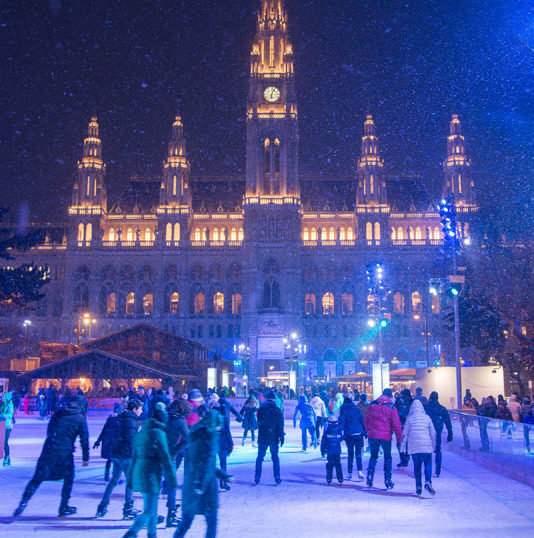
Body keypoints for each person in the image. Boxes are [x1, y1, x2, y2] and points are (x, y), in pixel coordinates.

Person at [13, 395, 89, 517]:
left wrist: (54, 440)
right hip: (64, 453)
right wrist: (85, 458)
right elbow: (84, 440)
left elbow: (50, 430)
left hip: (49, 450)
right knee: (69, 478)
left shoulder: (59, 413)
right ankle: (63, 506)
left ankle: (23, 502)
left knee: (37, 478)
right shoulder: (80, 418)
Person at [173, 406, 230, 538]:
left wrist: (223, 475)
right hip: (206, 488)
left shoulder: (195, 433)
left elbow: (201, 462)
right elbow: (207, 463)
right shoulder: (210, 437)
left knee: (186, 522)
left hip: (190, 484)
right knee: (211, 523)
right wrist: (201, 485)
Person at [122, 403, 176, 538]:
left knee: (152, 508)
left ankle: (152, 535)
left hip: (139, 473)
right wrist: (172, 479)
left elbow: (134, 456)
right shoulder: (158, 433)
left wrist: (130, 478)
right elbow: (165, 456)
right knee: (149, 511)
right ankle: (130, 534)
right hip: (150, 475)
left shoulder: (141, 433)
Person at [96, 399, 143, 519]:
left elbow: (110, 431)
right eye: (140, 409)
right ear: (134, 409)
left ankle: (102, 506)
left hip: (115, 453)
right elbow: (131, 441)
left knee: (114, 480)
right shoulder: (133, 422)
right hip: (126, 455)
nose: (141, 411)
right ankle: (128, 508)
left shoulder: (119, 417)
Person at [364, 388, 403, 489]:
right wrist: (399, 438)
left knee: (373, 456)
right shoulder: (391, 407)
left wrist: (369, 431)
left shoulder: (371, 405)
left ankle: (370, 476)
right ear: (390, 396)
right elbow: (396, 424)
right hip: (386, 437)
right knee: (387, 457)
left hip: (373, 435)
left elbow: (366, 420)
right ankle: (387, 479)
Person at [399, 399, 437, 495]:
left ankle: (418, 486)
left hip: (414, 447)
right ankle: (428, 481)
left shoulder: (409, 419)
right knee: (428, 465)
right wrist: (434, 446)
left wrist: (402, 449)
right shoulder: (427, 418)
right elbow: (433, 433)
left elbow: (405, 434)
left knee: (417, 467)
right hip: (427, 447)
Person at [165, 398, 191, 527]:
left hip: (157, 453)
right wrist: (177, 449)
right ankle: (171, 515)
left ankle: (151, 513)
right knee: (172, 485)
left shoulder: (165, 416)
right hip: (170, 455)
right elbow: (188, 439)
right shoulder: (180, 421)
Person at [255, 390, 284, 485]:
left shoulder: (261, 410)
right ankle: (277, 477)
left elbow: (258, 422)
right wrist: (281, 436)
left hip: (263, 436)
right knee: (275, 457)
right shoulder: (277, 410)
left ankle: (257, 477)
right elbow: (280, 425)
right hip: (274, 437)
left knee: (260, 457)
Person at [425, 391, 453, 477]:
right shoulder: (442, 409)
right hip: (437, 432)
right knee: (437, 450)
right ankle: (438, 469)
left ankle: (427, 468)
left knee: (427, 451)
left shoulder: (425, 408)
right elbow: (447, 421)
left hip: (427, 432)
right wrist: (450, 432)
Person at [338, 394, 366, 480]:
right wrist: (365, 432)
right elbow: (362, 420)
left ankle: (349, 473)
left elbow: (341, 422)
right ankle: (360, 471)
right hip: (358, 433)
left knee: (350, 453)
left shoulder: (343, 410)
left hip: (349, 434)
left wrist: (339, 433)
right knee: (358, 454)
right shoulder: (357, 409)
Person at [93, 402, 122, 481]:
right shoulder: (119, 419)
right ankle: (115, 477)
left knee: (111, 459)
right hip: (113, 442)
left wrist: (98, 441)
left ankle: (107, 475)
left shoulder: (111, 418)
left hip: (109, 441)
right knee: (116, 460)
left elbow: (104, 430)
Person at [321, 415, 344, 484]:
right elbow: (341, 438)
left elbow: (323, 442)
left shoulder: (326, 431)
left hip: (329, 451)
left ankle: (329, 478)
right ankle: (340, 478)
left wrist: (322, 451)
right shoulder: (339, 430)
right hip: (337, 450)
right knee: (338, 464)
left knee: (330, 465)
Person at [395, 389, 413, 468]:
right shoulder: (412, 401)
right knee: (408, 442)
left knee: (400, 442)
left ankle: (402, 458)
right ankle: (407, 456)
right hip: (409, 425)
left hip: (400, 424)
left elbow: (394, 412)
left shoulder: (398, 400)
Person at [0, 391, 15, 466]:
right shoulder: (1, 405)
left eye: (3, 397)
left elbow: (9, 415)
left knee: (4, 442)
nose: (2, 399)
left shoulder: (10, 405)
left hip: (7, 426)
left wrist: (2, 415)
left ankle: (7, 457)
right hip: (1, 425)